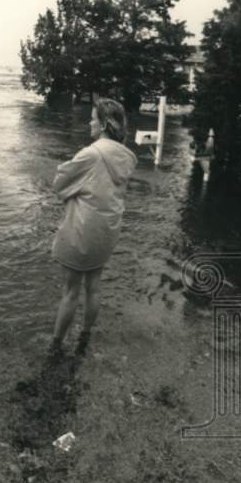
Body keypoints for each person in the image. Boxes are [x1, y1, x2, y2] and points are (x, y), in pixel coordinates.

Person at [49, 98, 138, 353]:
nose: (90, 122)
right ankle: (85, 338)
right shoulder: (127, 157)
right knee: (94, 287)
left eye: (93, 118)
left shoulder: (91, 154)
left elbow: (59, 184)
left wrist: (73, 188)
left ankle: (56, 345)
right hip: (108, 229)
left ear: (103, 125)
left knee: (70, 291)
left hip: (82, 229)